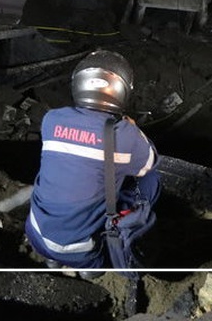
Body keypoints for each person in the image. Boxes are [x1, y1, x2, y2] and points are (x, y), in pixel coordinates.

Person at [25, 50, 160, 273]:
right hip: (80, 251)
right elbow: (150, 163)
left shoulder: (51, 119)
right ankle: (91, 270)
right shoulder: (125, 135)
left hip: (36, 232)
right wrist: (132, 127)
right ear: (122, 91)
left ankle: (51, 260)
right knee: (151, 181)